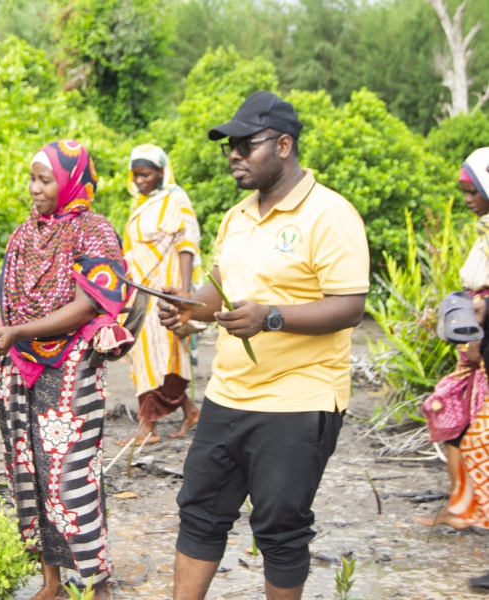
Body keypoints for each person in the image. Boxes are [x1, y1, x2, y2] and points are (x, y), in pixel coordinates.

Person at [156, 92, 370, 600]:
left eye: (244, 145)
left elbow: (349, 307)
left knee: (279, 527)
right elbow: (219, 288)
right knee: (200, 511)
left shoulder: (330, 214)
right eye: (228, 146)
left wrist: (271, 317)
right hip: (227, 396)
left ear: (283, 145)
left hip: (299, 401)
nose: (233, 154)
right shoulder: (237, 217)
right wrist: (189, 308)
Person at [0, 140, 130, 600]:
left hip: (71, 373)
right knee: (30, 475)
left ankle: (97, 584)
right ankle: (51, 583)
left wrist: (21, 332)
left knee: (71, 477)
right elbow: (6, 311)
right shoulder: (24, 235)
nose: (35, 189)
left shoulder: (94, 232)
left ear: (70, 182)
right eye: (32, 179)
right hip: (19, 372)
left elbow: (89, 305)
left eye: (45, 180)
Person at [416, 148, 489, 536]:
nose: (467, 197)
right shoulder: (484, 232)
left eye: (473, 188)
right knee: (448, 412)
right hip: (475, 342)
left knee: (476, 433)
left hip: (482, 342)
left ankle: (473, 509)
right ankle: (462, 505)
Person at [118, 143, 202, 447]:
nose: (140, 181)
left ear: (161, 173)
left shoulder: (176, 200)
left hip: (164, 290)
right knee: (145, 353)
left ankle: (148, 427)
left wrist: (183, 294)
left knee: (160, 352)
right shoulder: (140, 204)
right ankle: (189, 411)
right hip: (139, 291)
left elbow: (186, 244)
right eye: (136, 175)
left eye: (147, 174)